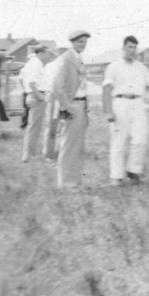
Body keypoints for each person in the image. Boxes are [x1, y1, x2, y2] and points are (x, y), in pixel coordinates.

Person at [102, 35, 149, 186]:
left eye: (134, 47)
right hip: (120, 103)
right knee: (119, 141)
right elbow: (106, 88)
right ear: (123, 48)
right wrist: (108, 111)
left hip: (138, 104)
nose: (132, 50)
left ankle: (133, 172)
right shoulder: (113, 67)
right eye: (129, 47)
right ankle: (116, 176)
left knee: (140, 139)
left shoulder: (141, 67)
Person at [51, 30, 91, 189]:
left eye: (85, 42)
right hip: (72, 105)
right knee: (69, 146)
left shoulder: (78, 58)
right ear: (72, 42)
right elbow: (56, 86)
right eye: (80, 42)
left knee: (78, 146)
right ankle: (66, 183)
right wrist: (67, 106)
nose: (83, 45)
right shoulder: (66, 59)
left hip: (81, 104)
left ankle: (75, 181)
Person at [19, 45, 53, 161]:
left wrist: (28, 94)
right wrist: (41, 97)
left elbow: (22, 79)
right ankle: (28, 155)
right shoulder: (36, 63)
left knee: (33, 126)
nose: (49, 56)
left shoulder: (31, 62)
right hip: (37, 96)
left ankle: (29, 153)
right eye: (47, 53)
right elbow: (32, 82)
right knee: (34, 127)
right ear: (41, 53)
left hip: (32, 95)